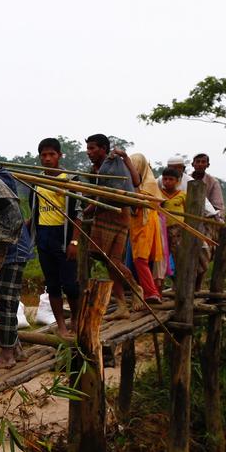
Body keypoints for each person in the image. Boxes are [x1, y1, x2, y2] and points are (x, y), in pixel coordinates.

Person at [73, 134, 140, 319]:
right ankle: (121, 306)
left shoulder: (117, 163)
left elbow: (135, 182)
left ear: (103, 149)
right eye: (88, 149)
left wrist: (125, 157)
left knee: (114, 261)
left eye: (92, 148)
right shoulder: (94, 170)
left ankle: (136, 288)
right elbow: (97, 196)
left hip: (119, 215)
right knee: (108, 263)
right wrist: (85, 211)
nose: (89, 152)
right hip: (101, 215)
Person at [28, 138, 80, 336]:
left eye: (52, 154)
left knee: (70, 285)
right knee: (52, 285)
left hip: (64, 236)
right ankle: (61, 325)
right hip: (44, 236)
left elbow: (78, 214)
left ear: (59, 155)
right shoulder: (37, 181)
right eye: (44, 155)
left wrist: (74, 241)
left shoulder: (71, 180)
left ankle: (75, 319)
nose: (47, 158)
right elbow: (35, 211)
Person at [0, 168, 34, 369]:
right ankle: (15, 347)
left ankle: (7, 355)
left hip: (13, 250)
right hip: (3, 251)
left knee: (6, 302)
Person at [127, 153, 164, 303]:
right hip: (137, 224)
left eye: (134, 166)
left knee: (141, 259)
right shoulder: (134, 183)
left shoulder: (149, 183)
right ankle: (147, 291)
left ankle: (151, 292)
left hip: (146, 222)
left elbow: (138, 201)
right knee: (139, 260)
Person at [191, 153, 225, 290]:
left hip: (206, 222)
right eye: (197, 162)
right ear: (192, 164)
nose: (200, 164)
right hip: (186, 220)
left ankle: (198, 286)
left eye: (203, 162)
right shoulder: (185, 178)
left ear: (207, 165)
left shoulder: (212, 182)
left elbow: (219, 207)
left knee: (204, 253)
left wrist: (218, 221)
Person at [159, 167, 187, 278]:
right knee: (162, 256)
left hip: (178, 230)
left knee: (178, 255)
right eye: (165, 179)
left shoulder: (182, 195)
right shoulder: (158, 193)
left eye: (171, 179)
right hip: (162, 229)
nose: (167, 182)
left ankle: (178, 282)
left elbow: (188, 210)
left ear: (177, 181)